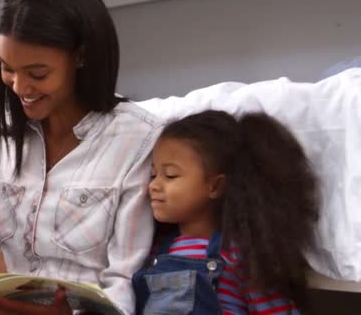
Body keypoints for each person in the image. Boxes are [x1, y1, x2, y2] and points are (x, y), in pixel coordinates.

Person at [0, 0, 161, 314]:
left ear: (81, 56)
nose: (20, 88)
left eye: (37, 74)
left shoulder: (137, 140)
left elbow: (124, 284)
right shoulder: (5, 136)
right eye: (7, 69)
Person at [133, 110, 319, 314]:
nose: (153, 185)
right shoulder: (154, 251)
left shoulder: (242, 255)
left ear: (216, 186)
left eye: (170, 175)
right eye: (153, 175)